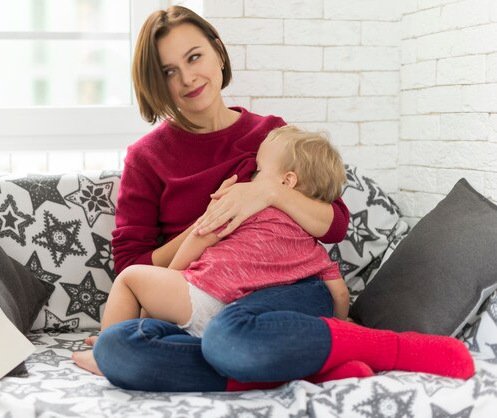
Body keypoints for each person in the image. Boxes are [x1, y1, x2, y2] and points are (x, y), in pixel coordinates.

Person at [71, 6, 474, 392]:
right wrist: (207, 224)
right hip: (198, 295)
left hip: (288, 288)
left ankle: (387, 348)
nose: (188, 78)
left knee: (228, 336)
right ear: (157, 82)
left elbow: (334, 224)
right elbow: (132, 265)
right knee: (118, 349)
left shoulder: (271, 135)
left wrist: (267, 190)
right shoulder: (147, 156)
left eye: (195, 57)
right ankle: (304, 368)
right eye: (169, 71)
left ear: (217, 50)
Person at [72, 126, 351, 375]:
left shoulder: (245, 206)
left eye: (257, 170)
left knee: (131, 279)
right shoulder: (314, 250)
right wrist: (338, 326)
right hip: (245, 320)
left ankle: (104, 354)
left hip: (204, 295)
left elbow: (202, 237)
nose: (251, 176)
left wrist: (172, 278)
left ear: (287, 181)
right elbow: (338, 292)